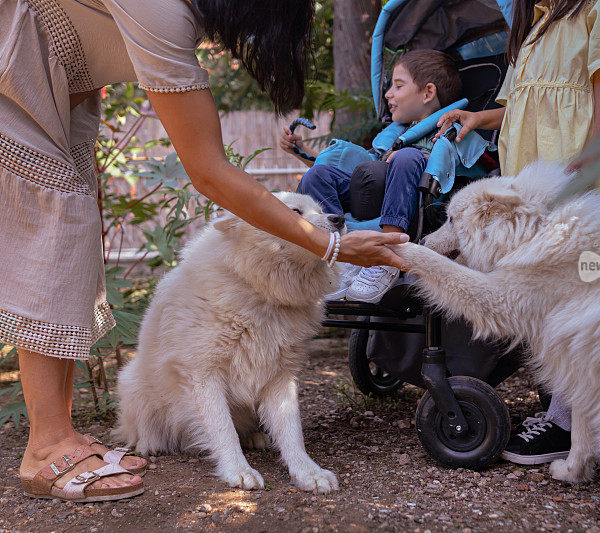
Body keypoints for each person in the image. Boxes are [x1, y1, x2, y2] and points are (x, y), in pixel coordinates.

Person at [1, 0, 406, 502]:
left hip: (50, 92)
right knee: (55, 234)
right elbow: (209, 170)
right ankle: (45, 446)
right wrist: (332, 245)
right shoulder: (161, 10)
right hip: (17, 81)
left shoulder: (173, 15)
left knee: (70, 238)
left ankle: (58, 429)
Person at [435, 0, 600, 465]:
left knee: (579, 298)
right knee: (549, 297)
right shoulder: (534, 24)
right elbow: (522, 103)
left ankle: (567, 424)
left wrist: (592, 155)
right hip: (530, 183)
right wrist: (477, 119)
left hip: (572, 173)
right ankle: (565, 415)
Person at [281, 50, 462, 303]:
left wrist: (405, 156)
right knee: (317, 174)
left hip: (420, 203)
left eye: (398, 86)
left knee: (406, 157)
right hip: (374, 197)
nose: (388, 94)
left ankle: (385, 254)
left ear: (428, 93)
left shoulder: (449, 131)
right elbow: (356, 168)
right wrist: (302, 151)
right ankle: (339, 253)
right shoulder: (394, 137)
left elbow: (455, 168)